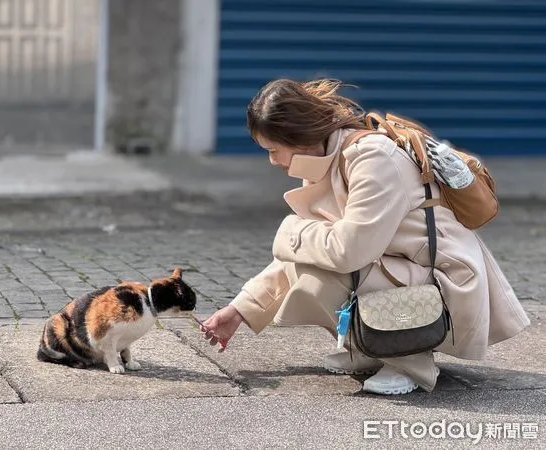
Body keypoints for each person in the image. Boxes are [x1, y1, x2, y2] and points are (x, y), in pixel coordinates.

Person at [199, 78, 530, 395]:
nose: (272, 161)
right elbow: (311, 251)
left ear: (299, 137)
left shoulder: (372, 158)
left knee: (322, 273)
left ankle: (410, 362)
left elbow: (349, 251)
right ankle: (374, 346)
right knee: (312, 266)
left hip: (444, 279)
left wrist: (290, 231)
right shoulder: (325, 159)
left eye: (273, 150)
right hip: (403, 267)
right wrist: (240, 310)